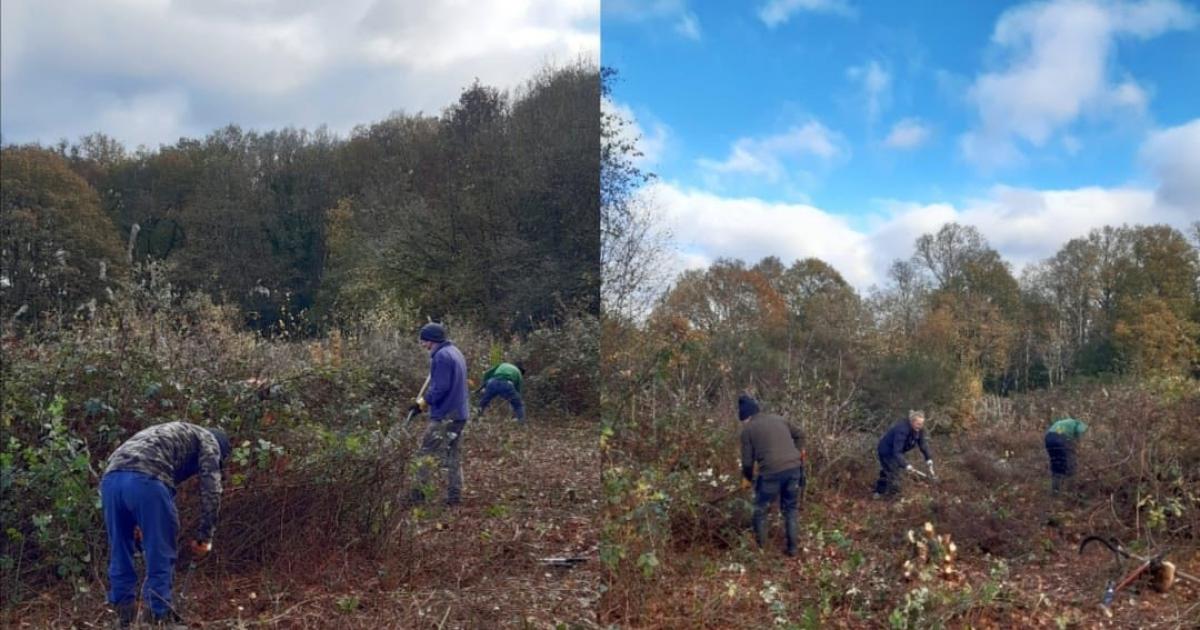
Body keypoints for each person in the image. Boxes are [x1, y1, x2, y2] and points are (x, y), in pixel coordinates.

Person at [101, 421, 231, 627]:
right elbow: (211, 491)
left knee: (120, 549)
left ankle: (123, 615)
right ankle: (158, 616)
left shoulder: (173, 432)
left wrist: (138, 519)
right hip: (146, 481)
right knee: (160, 551)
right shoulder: (210, 441)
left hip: (111, 480)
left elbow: (140, 466)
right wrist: (205, 536)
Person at [737, 393, 806, 557]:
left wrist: (747, 479)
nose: (743, 423)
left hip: (771, 473)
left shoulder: (747, 431)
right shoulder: (778, 419)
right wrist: (798, 452)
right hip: (795, 468)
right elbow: (800, 434)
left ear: (746, 417)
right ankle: (793, 549)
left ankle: (761, 550)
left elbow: (747, 462)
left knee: (759, 510)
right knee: (790, 509)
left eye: (742, 420)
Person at [409, 322, 470, 506]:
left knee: (425, 453)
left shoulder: (441, 357)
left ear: (432, 340)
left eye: (424, 341)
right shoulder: (455, 352)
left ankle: (418, 495)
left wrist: (422, 403)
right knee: (452, 455)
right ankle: (454, 496)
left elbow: (440, 388)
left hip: (445, 415)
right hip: (459, 413)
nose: (422, 345)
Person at [873, 410, 934, 499]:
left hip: (897, 452)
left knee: (888, 470)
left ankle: (879, 491)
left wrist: (928, 458)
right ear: (912, 422)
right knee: (894, 472)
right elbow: (896, 451)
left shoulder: (919, 430)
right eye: (918, 424)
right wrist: (906, 465)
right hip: (886, 451)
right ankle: (894, 498)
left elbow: (923, 444)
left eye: (921, 424)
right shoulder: (902, 430)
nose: (920, 426)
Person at [1045, 416, 1088, 493]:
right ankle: (1071, 490)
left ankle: (1055, 490)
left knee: (1056, 463)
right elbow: (1078, 433)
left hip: (1049, 438)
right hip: (1060, 438)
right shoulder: (1077, 423)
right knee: (1071, 463)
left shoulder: (1064, 422)